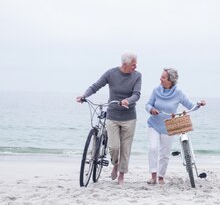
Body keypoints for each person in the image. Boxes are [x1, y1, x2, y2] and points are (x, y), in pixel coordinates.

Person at [76, 52, 142, 185]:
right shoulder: (111, 73)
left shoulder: (137, 76)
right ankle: (115, 164)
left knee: (125, 148)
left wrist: (127, 101)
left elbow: (136, 94)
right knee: (114, 147)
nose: (135, 67)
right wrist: (84, 96)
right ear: (125, 64)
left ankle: (121, 175)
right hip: (113, 115)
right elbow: (96, 86)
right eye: (133, 65)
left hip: (129, 117)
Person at [145, 67, 206, 185]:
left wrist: (199, 104)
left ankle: (161, 177)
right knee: (153, 148)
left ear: (170, 80)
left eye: (163, 77)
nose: (160, 79)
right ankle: (153, 176)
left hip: (169, 126)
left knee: (165, 153)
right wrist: (151, 109)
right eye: (161, 76)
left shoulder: (178, 93)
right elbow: (148, 104)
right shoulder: (156, 90)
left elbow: (190, 106)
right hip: (154, 124)